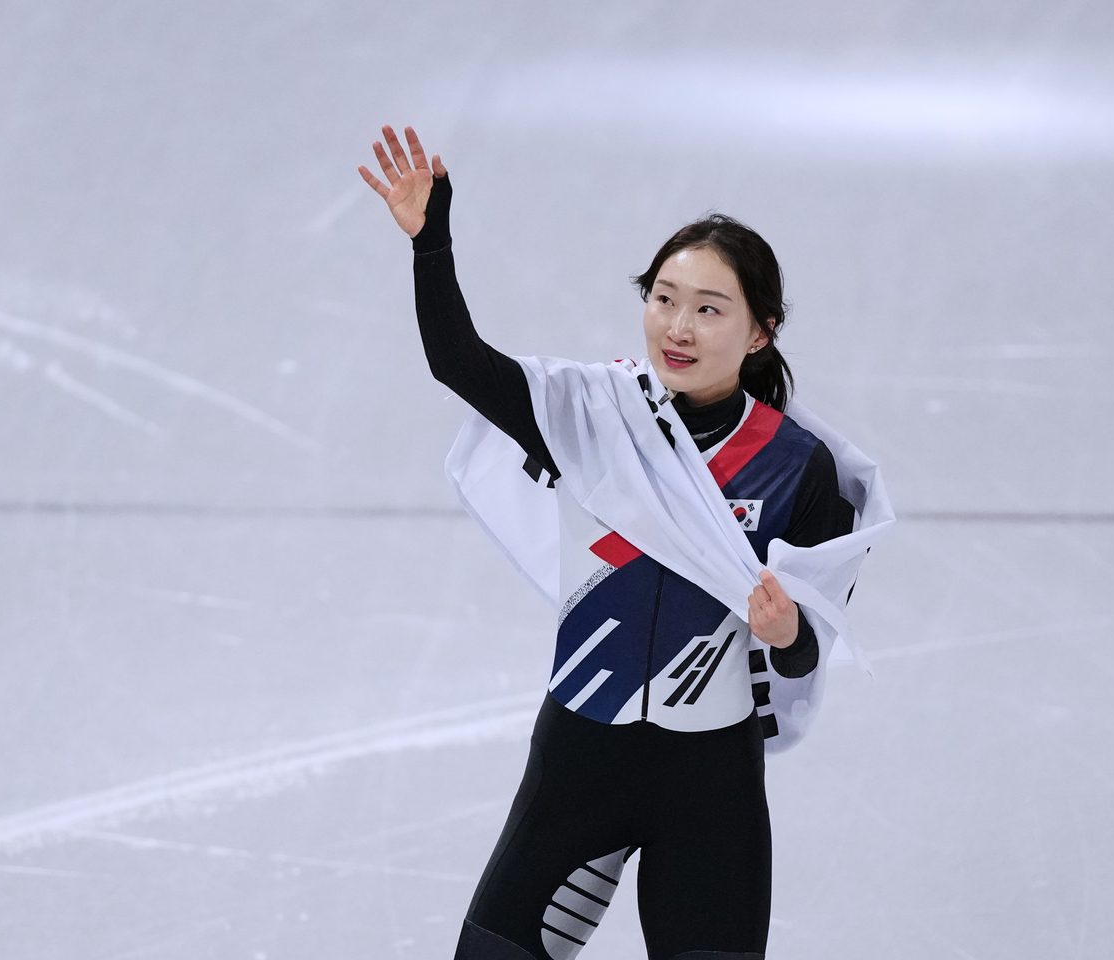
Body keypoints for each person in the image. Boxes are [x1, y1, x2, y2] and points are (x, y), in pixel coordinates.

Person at [360, 125, 884, 960]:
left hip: (710, 788)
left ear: (759, 332)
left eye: (708, 309)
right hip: (576, 765)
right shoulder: (588, 415)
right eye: (662, 297)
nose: (676, 326)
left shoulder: (800, 468)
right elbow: (458, 362)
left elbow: (803, 652)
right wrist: (432, 242)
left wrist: (786, 631)